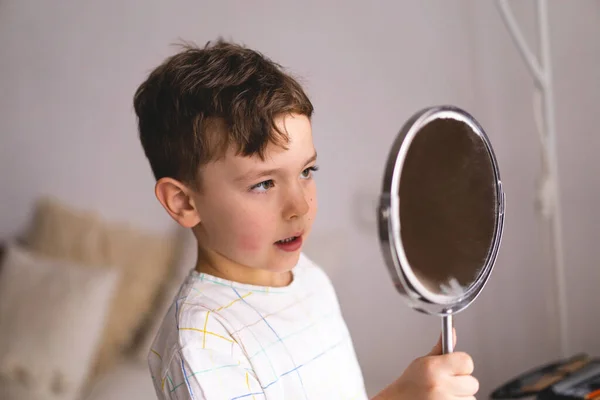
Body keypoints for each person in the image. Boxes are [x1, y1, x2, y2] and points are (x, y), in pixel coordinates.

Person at [133, 38, 479, 400]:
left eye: (306, 171)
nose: (298, 206)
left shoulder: (308, 277)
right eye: (263, 183)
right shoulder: (200, 342)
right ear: (184, 202)